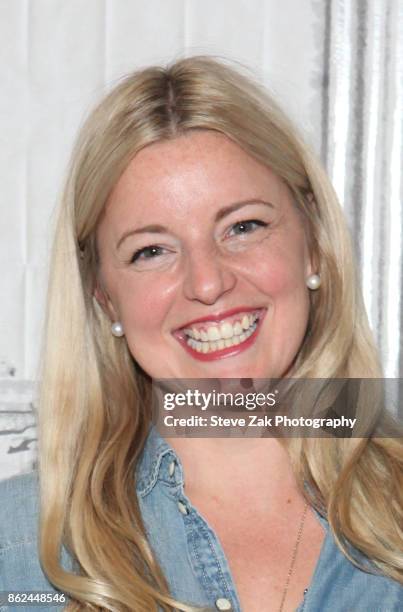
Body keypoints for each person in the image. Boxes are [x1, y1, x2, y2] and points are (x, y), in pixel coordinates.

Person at [0, 56, 402, 612]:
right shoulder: (17, 554)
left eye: (243, 226)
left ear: (313, 241)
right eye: (152, 251)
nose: (209, 283)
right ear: (103, 294)